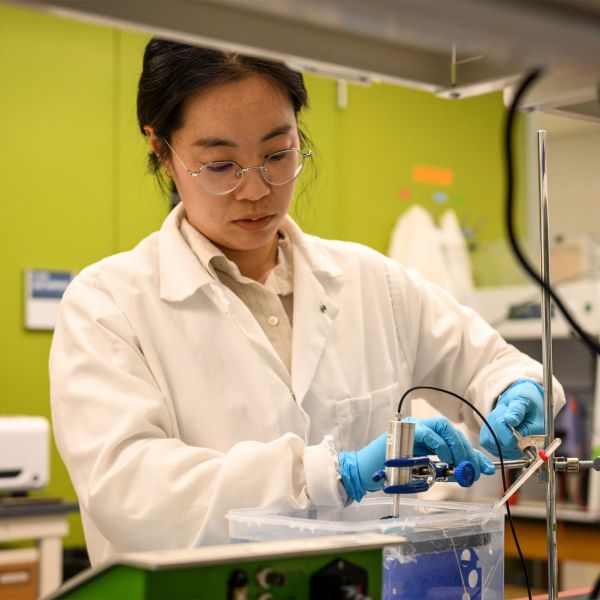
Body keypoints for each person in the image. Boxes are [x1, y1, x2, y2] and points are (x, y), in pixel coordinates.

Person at [49, 38, 565, 566]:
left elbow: (498, 365)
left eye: (278, 154)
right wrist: (326, 475)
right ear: (162, 149)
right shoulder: (108, 306)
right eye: (221, 165)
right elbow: (133, 495)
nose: (257, 191)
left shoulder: (373, 282)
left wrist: (517, 392)